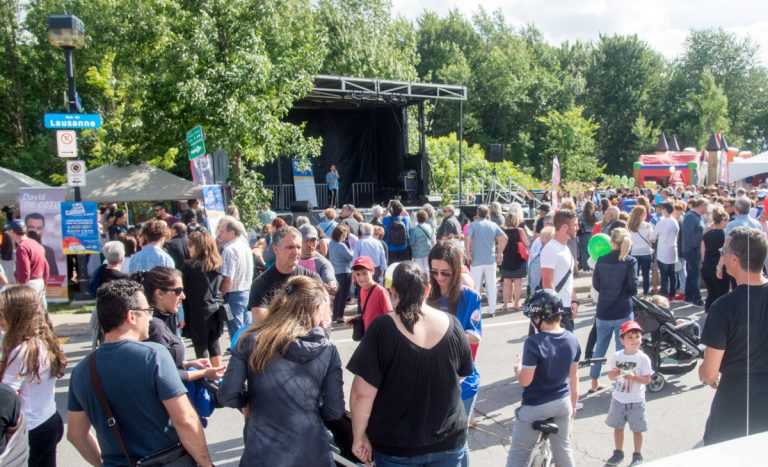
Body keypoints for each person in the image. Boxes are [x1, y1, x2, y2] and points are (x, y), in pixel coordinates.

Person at [67, 280, 213, 466]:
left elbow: (76, 434)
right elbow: (185, 420)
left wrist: (102, 463)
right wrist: (206, 463)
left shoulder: (82, 370)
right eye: (147, 311)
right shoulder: (153, 355)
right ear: (132, 316)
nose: (150, 318)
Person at [347, 262, 473, 466]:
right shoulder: (453, 324)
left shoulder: (382, 328)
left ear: (393, 291)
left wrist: (359, 435)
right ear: (427, 289)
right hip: (448, 441)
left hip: (397, 445)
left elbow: (362, 393)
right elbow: (461, 374)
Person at [219, 276, 344, 465]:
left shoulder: (251, 341)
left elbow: (226, 394)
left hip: (262, 452)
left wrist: (248, 400)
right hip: (311, 451)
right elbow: (334, 411)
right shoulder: (327, 349)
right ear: (315, 308)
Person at [699, 227, 768, 445]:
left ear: (735, 259)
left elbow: (709, 372)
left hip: (736, 401)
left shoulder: (724, 307)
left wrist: (706, 375)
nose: (722, 254)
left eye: (723, 250)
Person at [507, 289, 580, 467]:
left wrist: (518, 369)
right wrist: (573, 407)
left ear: (538, 317)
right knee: (563, 451)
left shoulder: (534, 342)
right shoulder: (572, 339)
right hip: (563, 404)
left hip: (536, 406)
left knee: (518, 455)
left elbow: (525, 381)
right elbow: (574, 377)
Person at [0, 286, 66, 467]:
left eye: (1, 312)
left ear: (18, 315)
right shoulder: (45, 339)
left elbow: (6, 396)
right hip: (50, 419)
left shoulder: (22, 351)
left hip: (31, 429)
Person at [427, 242, 482, 457]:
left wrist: (443, 334)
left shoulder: (470, 297)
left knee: (458, 442)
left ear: (457, 271)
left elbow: (475, 336)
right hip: (430, 383)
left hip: (463, 382)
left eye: (445, 273)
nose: (439, 277)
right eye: (434, 271)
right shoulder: (426, 293)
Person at [137, 266, 226, 384]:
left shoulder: (163, 319)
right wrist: (203, 373)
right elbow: (164, 375)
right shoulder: (154, 326)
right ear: (159, 293)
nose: (183, 296)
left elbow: (164, 363)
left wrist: (187, 364)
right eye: (178, 291)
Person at [603, 321, 652, 467]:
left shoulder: (643, 358)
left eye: (637, 336)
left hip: (636, 400)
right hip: (618, 399)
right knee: (618, 427)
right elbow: (610, 377)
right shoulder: (617, 356)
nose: (634, 340)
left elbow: (647, 380)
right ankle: (618, 452)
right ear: (622, 340)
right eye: (630, 337)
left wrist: (633, 377)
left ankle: (637, 455)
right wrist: (616, 373)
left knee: (637, 429)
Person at [249, 226, 322, 323]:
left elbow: (322, 316)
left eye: (299, 247)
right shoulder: (261, 284)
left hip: (308, 336)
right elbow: (260, 323)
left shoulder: (312, 278)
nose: (296, 252)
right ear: (276, 249)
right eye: (290, 247)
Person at [182, 231, 225, 367]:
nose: (188, 248)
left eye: (191, 245)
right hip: (215, 308)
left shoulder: (190, 267)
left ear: (199, 246)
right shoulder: (216, 264)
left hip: (197, 312)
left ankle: (208, 377)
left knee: (201, 347)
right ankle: (219, 375)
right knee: (214, 344)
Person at [466, 204, 508, 316]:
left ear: (477, 214)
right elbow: (504, 238)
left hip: (476, 259)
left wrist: (468, 253)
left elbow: (467, 238)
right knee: (491, 285)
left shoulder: (473, 225)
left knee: (476, 286)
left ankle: (476, 310)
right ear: (487, 214)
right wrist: (499, 253)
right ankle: (492, 309)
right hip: (490, 259)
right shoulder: (493, 225)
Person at [540, 210, 579, 331]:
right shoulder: (551, 249)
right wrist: (557, 310)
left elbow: (569, 277)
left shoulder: (565, 248)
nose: (577, 228)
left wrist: (574, 300)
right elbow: (547, 282)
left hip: (566, 306)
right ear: (564, 227)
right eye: (575, 225)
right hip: (558, 309)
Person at [217, 216, 254, 338]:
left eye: (222, 231)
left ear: (232, 233)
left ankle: (239, 354)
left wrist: (219, 296)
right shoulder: (245, 247)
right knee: (247, 330)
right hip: (246, 292)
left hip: (233, 296)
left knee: (236, 333)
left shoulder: (229, 250)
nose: (219, 234)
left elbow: (228, 279)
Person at [88, 241, 129, 348]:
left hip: (100, 313)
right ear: (122, 258)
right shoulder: (124, 279)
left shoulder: (99, 272)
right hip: (117, 317)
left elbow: (92, 290)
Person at [7, 220, 48, 308]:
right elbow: (46, 266)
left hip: (30, 284)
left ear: (12, 232)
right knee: (41, 313)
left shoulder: (22, 248)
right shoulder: (35, 243)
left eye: (8, 231)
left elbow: (25, 272)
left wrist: (22, 290)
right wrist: (45, 283)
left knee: (29, 315)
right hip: (40, 282)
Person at [346, 256, 392, 331]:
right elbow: (367, 313)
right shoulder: (362, 290)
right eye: (358, 274)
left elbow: (389, 316)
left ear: (372, 272)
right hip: (368, 334)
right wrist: (355, 318)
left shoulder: (380, 291)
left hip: (379, 335)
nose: (361, 278)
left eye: (365, 273)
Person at [701, 207, 731, 311]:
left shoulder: (706, 234)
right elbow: (725, 253)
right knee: (721, 294)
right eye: (727, 220)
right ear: (723, 221)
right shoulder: (725, 236)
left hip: (706, 266)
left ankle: (708, 313)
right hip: (719, 267)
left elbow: (703, 253)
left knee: (711, 292)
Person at [297, 225, 338, 295]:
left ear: (317, 242)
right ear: (299, 241)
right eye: (306, 241)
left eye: (313, 241)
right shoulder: (292, 259)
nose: (310, 245)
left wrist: (331, 284)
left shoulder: (322, 263)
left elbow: (329, 278)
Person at [681, 199, 707, 306]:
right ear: (701, 205)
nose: (707, 209)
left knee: (692, 273)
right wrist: (695, 247)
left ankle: (689, 296)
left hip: (692, 249)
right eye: (706, 206)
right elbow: (688, 235)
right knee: (695, 274)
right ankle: (696, 298)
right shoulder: (691, 216)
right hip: (692, 250)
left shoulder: (696, 216)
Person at [651, 202, 678, 300]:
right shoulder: (675, 221)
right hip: (673, 249)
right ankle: (672, 294)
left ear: (665, 210)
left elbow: (653, 237)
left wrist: (657, 236)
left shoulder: (661, 222)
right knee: (672, 274)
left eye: (662, 209)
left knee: (664, 275)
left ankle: (664, 294)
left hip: (663, 250)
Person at [328, 224, 353, 323]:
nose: (345, 237)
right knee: (343, 295)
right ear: (341, 235)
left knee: (338, 295)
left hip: (335, 272)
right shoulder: (341, 245)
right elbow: (350, 257)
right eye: (344, 235)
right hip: (344, 271)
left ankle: (335, 315)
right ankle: (340, 316)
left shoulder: (331, 243)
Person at [628, 206, 654, 296]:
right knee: (646, 274)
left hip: (634, 252)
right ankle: (646, 293)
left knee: (635, 275)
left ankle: (634, 293)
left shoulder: (630, 226)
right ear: (643, 215)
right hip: (646, 252)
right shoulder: (647, 225)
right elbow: (652, 239)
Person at [577, 201, 596, 272]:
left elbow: (579, 223)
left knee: (584, 252)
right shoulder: (594, 215)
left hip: (583, 234)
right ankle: (592, 267)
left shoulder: (581, 215)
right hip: (592, 234)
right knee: (591, 252)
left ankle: (585, 268)